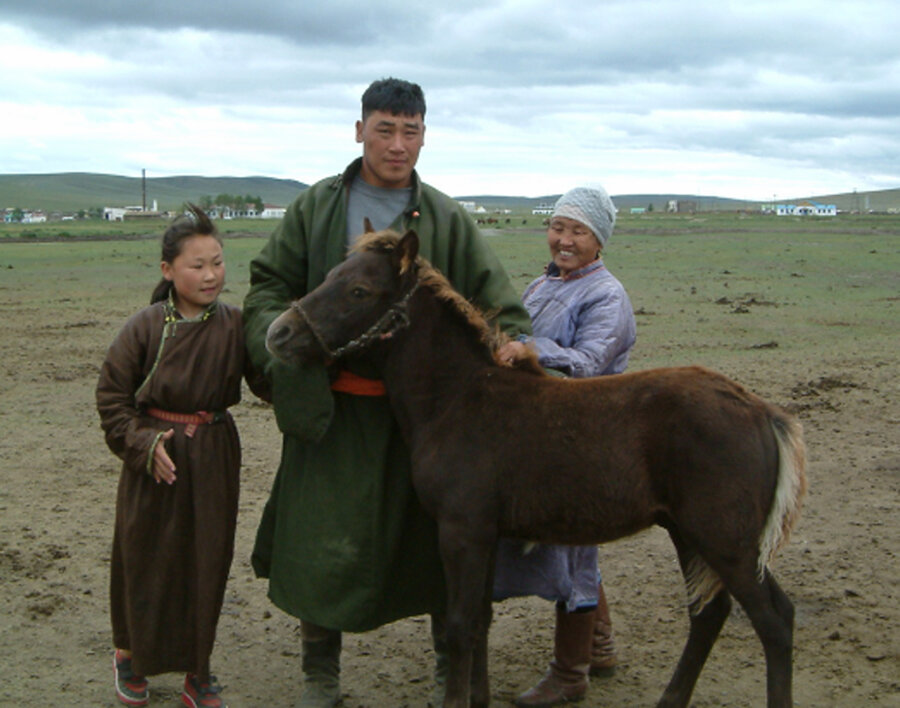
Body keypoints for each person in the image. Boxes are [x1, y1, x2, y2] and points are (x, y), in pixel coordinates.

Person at [242, 77, 531, 707]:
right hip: (334, 410)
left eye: (411, 131)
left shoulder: (448, 218)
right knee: (318, 544)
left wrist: (512, 340)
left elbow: (496, 300)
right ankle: (321, 676)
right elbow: (267, 286)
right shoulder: (316, 207)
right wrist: (279, 344)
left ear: (424, 135)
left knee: (438, 548)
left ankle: (445, 669)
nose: (398, 144)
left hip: (424, 422)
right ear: (359, 131)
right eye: (385, 129)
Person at [96, 204, 268, 708]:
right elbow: (112, 400)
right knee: (144, 555)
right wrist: (144, 446)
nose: (211, 274)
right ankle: (129, 654)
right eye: (198, 265)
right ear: (168, 270)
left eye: (217, 262)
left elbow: (270, 383)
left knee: (207, 559)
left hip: (214, 454)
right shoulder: (145, 327)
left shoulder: (237, 324)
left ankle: (199, 668)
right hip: (155, 460)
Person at [493, 186, 636, 708]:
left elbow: (592, 360)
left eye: (578, 231)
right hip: (547, 433)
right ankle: (599, 647)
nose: (564, 240)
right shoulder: (542, 284)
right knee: (575, 549)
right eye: (558, 227)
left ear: (599, 240)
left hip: (588, 433)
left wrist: (531, 349)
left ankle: (570, 673)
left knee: (576, 548)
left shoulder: (607, 295)